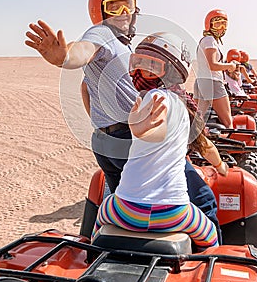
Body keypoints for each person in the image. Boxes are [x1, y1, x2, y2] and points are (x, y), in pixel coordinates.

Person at [91, 32, 220, 251]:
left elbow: (157, 130)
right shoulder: (181, 104)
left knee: (101, 215)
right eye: (137, 63)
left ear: (171, 70)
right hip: (175, 212)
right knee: (210, 235)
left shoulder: (150, 98)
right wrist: (221, 165)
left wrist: (139, 129)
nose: (140, 72)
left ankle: (91, 255)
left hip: (124, 210)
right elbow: (165, 133)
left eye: (151, 65)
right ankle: (210, 266)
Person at [25, 0, 139, 193]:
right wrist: (65, 57)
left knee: (117, 200)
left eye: (128, 4)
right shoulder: (102, 34)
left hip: (106, 139)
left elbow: (85, 87)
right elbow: (83, 49)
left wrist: (103, 126)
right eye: (114, 7)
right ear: (100, 12)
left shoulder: (123, 45)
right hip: (124, 138)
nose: (123, 11)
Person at [193, 9, 237, 128]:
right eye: (217, 24)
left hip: (201, 81)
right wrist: (230, 66)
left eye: (224, 24)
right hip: (213, 83)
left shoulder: (206, 40)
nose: (221, 28)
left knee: (196, 121)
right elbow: (212, 65)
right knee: (228, 123)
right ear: (209, 25)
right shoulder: (210, 41)